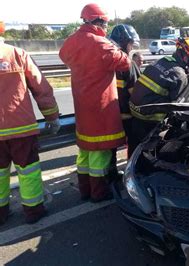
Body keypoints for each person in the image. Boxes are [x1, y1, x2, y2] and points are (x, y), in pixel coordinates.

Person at [59, 3, 131, 202]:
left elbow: (63, 55)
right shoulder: (101, 43)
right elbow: (125, 62)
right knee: (100, 154)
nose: (106, 28)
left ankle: (84, 191)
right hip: (101, 108)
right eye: (106, 24)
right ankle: (99, 193)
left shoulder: (71, 41)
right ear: (99, 22)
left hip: (81, 106)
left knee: (84, 153)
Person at [0, 23, 60, 224]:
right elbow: (41, 88)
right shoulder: (17, 54)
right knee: (28, 172)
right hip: (21, 129)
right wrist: (52, 117)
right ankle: (34, 212)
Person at [128, 37, 189, 154]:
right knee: (148, 155)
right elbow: (177, 104)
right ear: (186, 57)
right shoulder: (179, 74)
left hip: (135, 114)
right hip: (150, 120)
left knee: (134, 149)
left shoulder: (160, 61)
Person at [109, 24, 141, 159]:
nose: (132, 47)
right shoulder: (128, 62)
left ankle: (111, 174)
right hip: (127, 116)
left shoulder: (106, 60)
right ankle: (131, 171)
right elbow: (136, 92)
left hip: (109, 113)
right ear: (125, 42)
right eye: (131, 43)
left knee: (110, 147)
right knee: (134, 143)